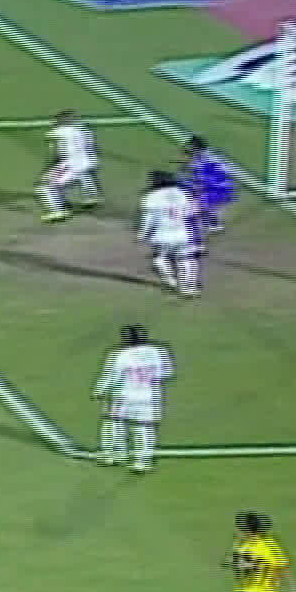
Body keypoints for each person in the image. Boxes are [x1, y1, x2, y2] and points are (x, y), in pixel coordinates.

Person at [92, 324, 172, 473]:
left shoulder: (120, 354)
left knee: (113, 423)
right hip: (149, 396)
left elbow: (112, 376)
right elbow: (166, 374)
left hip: (124, 396)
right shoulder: (159, 351)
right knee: (144, 429)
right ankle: (143, 462)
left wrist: (99, 391)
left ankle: (113, 455)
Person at [138, 170, 203, 297]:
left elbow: (149, 219)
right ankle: (188, 288)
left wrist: (143, 234)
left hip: (162, 235)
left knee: (160, 257)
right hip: (184, 233)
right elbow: (194, 213)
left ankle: (170, 280)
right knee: (186, 259)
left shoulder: (151, 196)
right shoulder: (185, 193)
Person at [36, 109, 101, 222]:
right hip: (89, 161)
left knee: (45, 185)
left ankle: (58, 211)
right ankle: (92, 196)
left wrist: (51, 165)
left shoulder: (56, 132)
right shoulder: (85, 130)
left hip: (72, 165)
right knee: (83, 175)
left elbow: (52, 149)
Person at [180, 136, 235, 234]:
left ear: (197, 147)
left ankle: (208, 224)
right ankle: (213, 224)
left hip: (216, 184)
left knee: (199, 200)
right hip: (219, 183)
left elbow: (201, 171)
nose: (190, 148)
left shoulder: (204, 158)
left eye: (192, 146)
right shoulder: (208, 154)